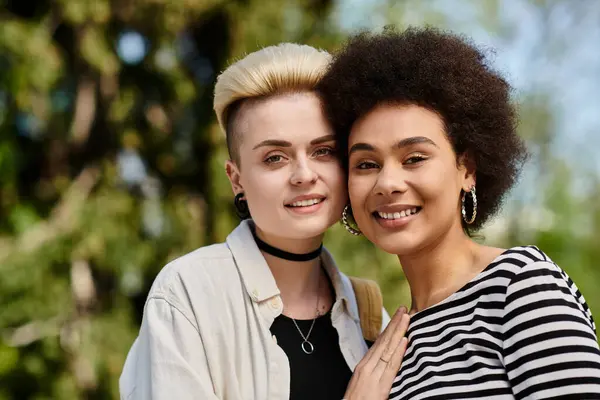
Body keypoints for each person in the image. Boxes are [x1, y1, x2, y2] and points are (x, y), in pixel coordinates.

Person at [318, 27, 600, 399]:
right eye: (366, 164)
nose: (387, 183)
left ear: (466, 169)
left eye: (414, 158)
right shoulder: (386, 347)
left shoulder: (518, 286)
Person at [119, 42, 410, 400]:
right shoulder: (189, 295)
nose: (304, 175)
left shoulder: (365, 311)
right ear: (236, 178)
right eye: (275, 158)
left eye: (323, 151)